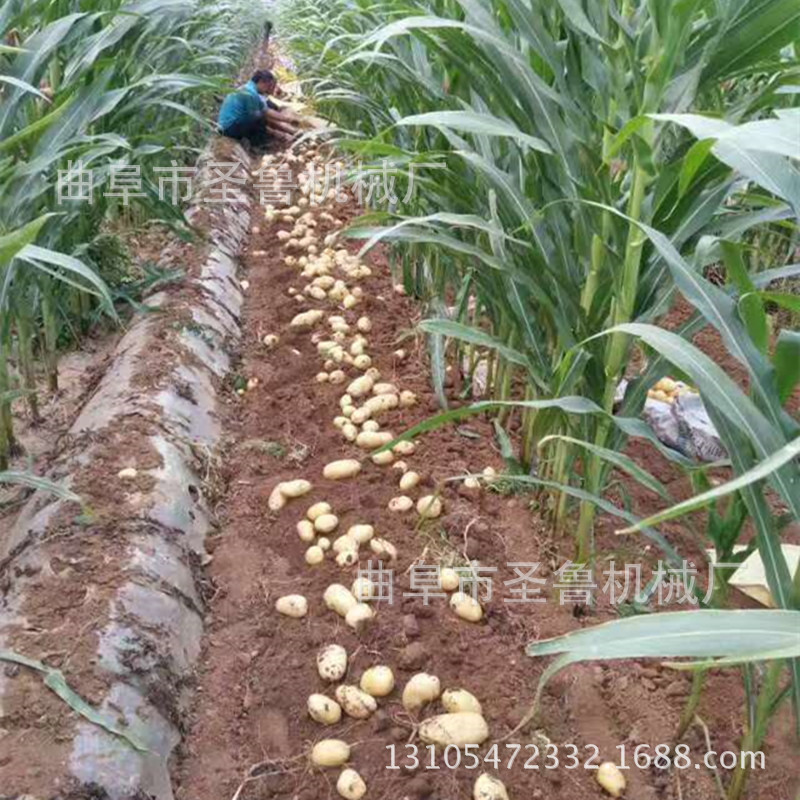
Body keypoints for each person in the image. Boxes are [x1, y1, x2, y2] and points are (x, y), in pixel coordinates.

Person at [218, 69, 299, 147]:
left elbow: (267, 110)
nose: (268, 89)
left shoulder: (250, 89)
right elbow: (262, 115)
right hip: (229, 128)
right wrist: (276, 133)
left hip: (229, 125)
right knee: (259, 118)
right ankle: (258, 144)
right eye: (268, 86)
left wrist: (289, 120)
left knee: (261, 116)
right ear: (261, 82)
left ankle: (289, 133)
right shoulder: (250, 94)